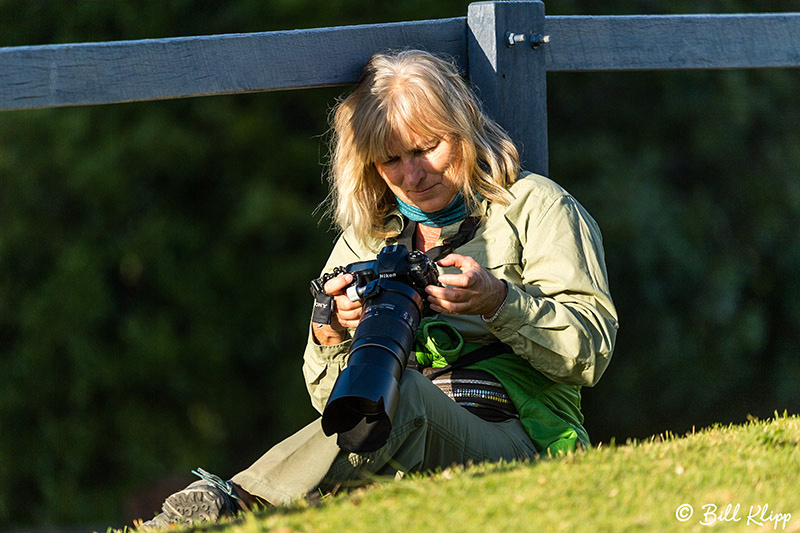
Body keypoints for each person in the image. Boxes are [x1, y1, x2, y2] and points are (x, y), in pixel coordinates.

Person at [139, 49, 618, 528]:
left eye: (428, 147)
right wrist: (330, 333)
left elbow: (591, 352)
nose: (413, 176)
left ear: (464, 126)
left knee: (402, 394)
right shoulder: (368, 237)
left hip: (520, 438)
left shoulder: (537, 207)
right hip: (396, 436)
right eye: (391, 160)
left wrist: (500, 302)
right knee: (385, 406)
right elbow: (336, 407)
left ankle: (237, 504)